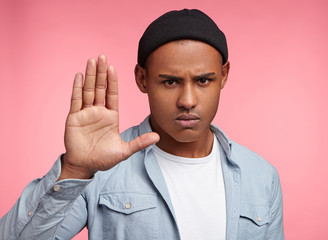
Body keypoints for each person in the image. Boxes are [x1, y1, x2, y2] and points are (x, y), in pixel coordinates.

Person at [0, 9, 284, 240]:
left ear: (223, 76)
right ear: (142, 79)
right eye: (170, 81)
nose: (187, 100)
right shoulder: (100, 170)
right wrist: (75, 170)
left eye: (203, 80)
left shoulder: (261, 176)